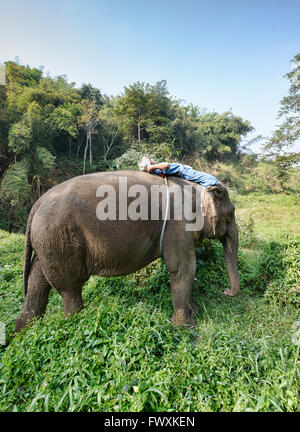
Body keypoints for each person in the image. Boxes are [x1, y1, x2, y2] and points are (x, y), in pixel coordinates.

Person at [147, 160, 219, 188]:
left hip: (182, 170)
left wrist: (152, 167)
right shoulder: (157, 168)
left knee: (198, 176)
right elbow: (166, 165)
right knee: (201, 177)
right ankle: (211, 182)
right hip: (183, 172)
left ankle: (211, 182)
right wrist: (152, 167)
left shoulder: (157, 167)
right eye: (151, 161)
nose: (152, 160)